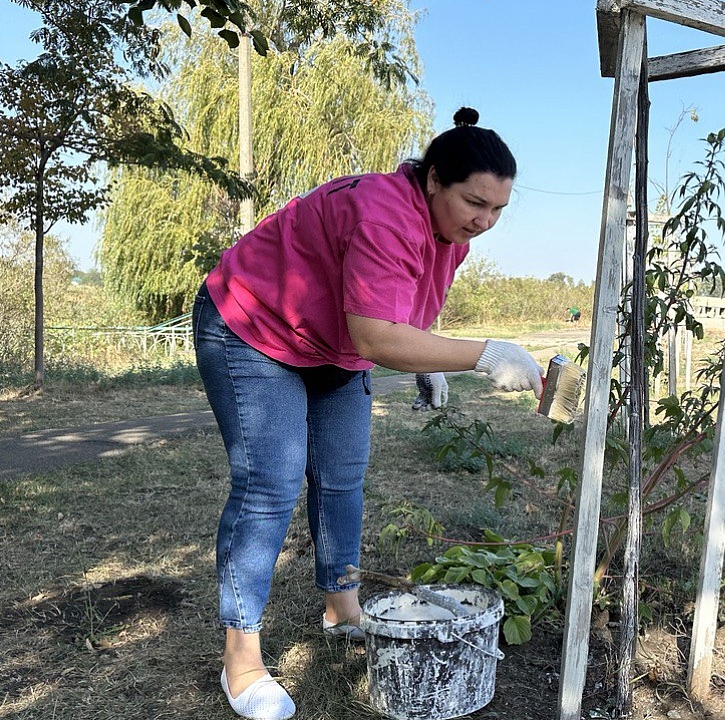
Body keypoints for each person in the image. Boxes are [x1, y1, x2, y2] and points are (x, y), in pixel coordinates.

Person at [192, 107, 543, 720]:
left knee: (342, 476)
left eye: (498, 210)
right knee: (270, 484)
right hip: (251, 325)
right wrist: (480, 354)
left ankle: (342, 606)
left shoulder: (449, 237)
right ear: (433, 179)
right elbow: (379, 337)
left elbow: (400, 314)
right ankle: (241, 659)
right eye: (474, 202)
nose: (485, 221)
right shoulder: (384, 212)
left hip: (332, 344)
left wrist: (427, 357)